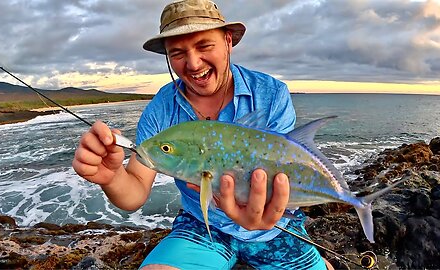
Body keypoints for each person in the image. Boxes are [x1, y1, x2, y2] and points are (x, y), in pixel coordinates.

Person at [73, 0, 333, 269]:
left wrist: (267, 213)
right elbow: (135, 191)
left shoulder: (271, 94)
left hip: (275, 229)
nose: (193, 63)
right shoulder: (161, 109)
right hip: (202, 226)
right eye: (177, 53)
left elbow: (286, 170)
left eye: (204, 46)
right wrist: (111, 176)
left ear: (228, 41)